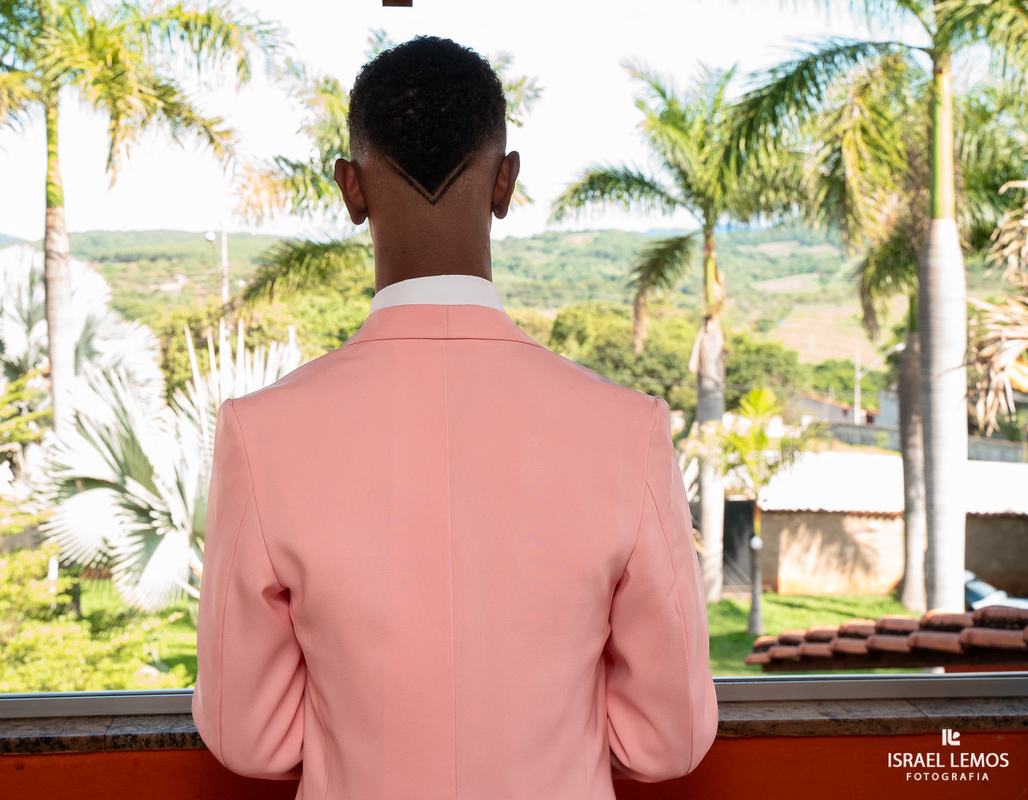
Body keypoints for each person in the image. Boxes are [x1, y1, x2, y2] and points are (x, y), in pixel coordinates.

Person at [192, 35, 718, 800]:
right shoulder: (626, 429)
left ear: (350, 189)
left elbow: (251, 738)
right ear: (506, 183)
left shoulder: (259, 431)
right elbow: (665, 741)